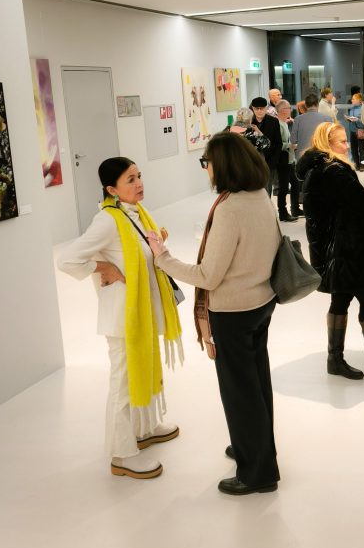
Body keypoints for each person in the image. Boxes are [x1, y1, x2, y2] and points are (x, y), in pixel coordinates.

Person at [149, 132, 282, 496]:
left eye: (206, 162)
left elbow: (208, 275)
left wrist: (164, 259)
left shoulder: (229, 208)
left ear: (221, 166)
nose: (205, 169)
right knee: (256, 385)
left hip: (234, 311)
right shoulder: (259, 197)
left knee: (240, 393)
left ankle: (257, 472)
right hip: (261, 302)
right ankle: (253, 447)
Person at [57, 157, 183, 480]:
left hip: (141, 313)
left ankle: (145, 428)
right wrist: (104, 268)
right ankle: (122, 453)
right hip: (122, 318)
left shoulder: (137, 214)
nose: (139, 183)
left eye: (139, 176)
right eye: (130, 179)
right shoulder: (108, 220)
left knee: (144, 368)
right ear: (111, 189)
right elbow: (69, 259)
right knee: (123, 383)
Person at [296, 122, 364, 380]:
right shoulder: (335, 170)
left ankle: (338, 358)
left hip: (334, 246)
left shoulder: (317, 169)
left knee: (341, 298)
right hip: (348, 244)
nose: (346, 145)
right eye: (341, 141)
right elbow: (362, 207)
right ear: (327, 144)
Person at [275, 99, 301, 221]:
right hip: (283, 161)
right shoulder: (278, 125)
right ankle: (282, 212)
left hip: (290, 159)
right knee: (284, 187)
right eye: (289, 108)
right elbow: (277, 144)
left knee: (295, 184)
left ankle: (295, 208)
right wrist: (290, 146)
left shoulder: (284, 123)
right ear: (282, 110)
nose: (291, 110)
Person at [250, 97, 282, 191]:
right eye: (256, 108)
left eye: (262, 108)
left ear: (266, 108)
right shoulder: (248, 122)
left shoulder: (273, 121)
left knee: (266, 190)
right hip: (252, 161)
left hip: (269, 160)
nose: (259, 111)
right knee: (253, 189)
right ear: (252, 108)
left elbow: (278, 142)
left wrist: (274, 161)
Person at [290, 92, 332, 159]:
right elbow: (331, 139)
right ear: (318, 104)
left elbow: (293, 140)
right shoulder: (327, 119)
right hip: (322, 155)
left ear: (306, 105)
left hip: (302, 157)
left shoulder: (298, 119)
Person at [344, 91, 364, 170]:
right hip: (352, 131)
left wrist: (357, 120)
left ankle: (362, 165)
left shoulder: (363, 108)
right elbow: (350, 118)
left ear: (359, 100)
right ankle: (356, 165)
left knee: (362, 149)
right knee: (354, 149)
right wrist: (348, 119)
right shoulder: (351, 108)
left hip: (360, 131)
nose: (352, 100)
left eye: (353, 99)